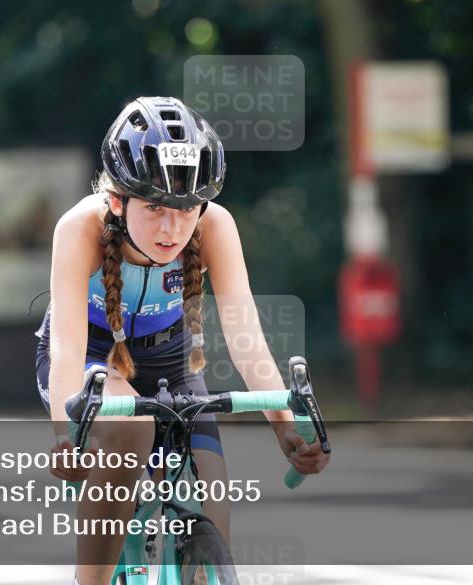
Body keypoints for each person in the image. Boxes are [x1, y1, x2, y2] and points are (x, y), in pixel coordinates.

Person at [34, 96, 329, 585]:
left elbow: (246, 338)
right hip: (91, 356)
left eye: (187, 207)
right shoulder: (80, 227)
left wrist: (285, 428)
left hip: (171, 361)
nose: (172, 227)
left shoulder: (215, 226)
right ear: (116, 200)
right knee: (131, 433)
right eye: (153, 207)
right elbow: (67, 341)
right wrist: (66, 436)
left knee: (214, 510)